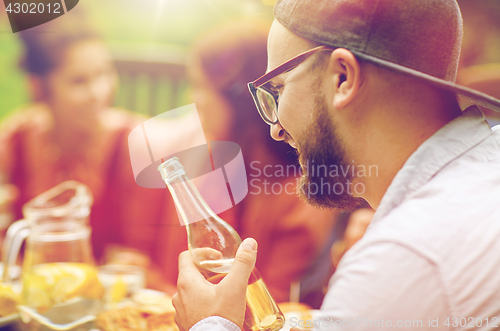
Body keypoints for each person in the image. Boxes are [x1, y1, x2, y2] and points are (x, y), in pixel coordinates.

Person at [172, 0, 500, 330]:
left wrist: (210, 324)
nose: (276, 128)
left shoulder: (400, 258)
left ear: (342, 76)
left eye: (278, 88)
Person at [150, 20, 339, 302]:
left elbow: (269, 306)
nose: (194, 100)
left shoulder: (300, 198)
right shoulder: (208, 163)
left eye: (202, 87)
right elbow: (176, 273)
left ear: (243, 100)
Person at [0, 10, 168, 286]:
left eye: (104, 73)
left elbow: (139, 257)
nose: (98, 92)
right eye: (79, 81)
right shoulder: (15, 139)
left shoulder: (135, 144)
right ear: (39, 87)